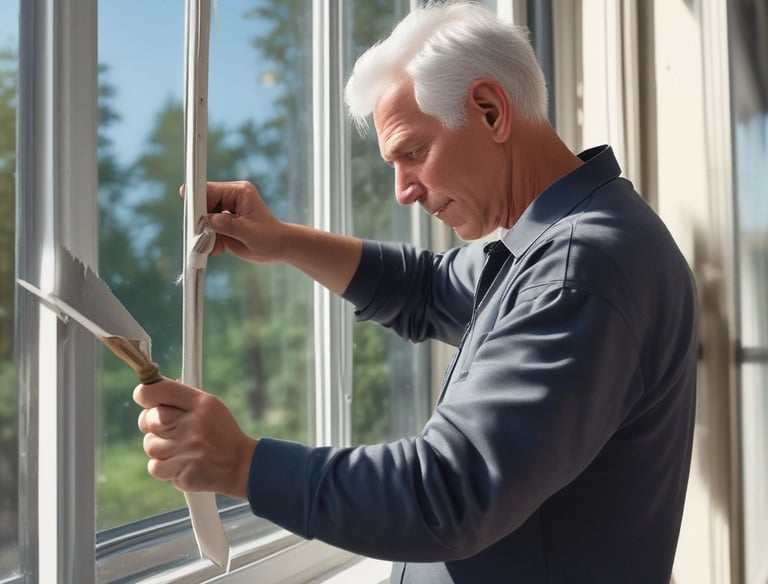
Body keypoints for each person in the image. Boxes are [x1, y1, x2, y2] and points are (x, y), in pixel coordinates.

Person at [133, 2, 698, 582]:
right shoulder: (561, 240)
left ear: (489, 110)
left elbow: (448, 496)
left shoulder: (579, 269)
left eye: (413, 152)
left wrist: (240, 463)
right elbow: (426, 288)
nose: (403, 190)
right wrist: (282, 241)